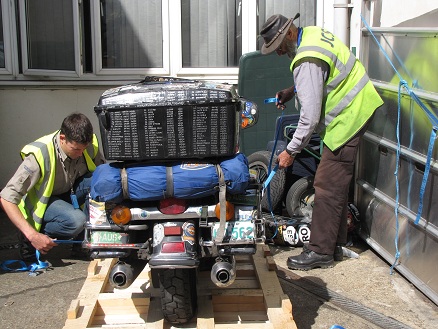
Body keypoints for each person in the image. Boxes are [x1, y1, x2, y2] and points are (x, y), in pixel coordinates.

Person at [259, 14, 384, 270]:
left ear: (290, 34)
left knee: (326, 183)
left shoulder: (306, 59)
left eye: (279, 46)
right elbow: (319, 76)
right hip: (359, 105)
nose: (280, 53)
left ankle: (320, 252)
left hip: (350, 116)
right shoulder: (313, 35)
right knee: (334, 182)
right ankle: (335, 242)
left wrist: (290, 151)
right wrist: (292, 89)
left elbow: (309, 118)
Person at [0, 113, 105, 256]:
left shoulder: (89, 145)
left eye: (84, 149)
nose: (81, 154)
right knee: (77, 221)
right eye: (76, 149)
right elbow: (6, 198)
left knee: (100, 181)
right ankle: (33, 237)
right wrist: (32, 235)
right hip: (43, 201)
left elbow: (102, 174)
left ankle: (82, 243)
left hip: (69, 191)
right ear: (62, 138)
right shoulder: (39, 156)